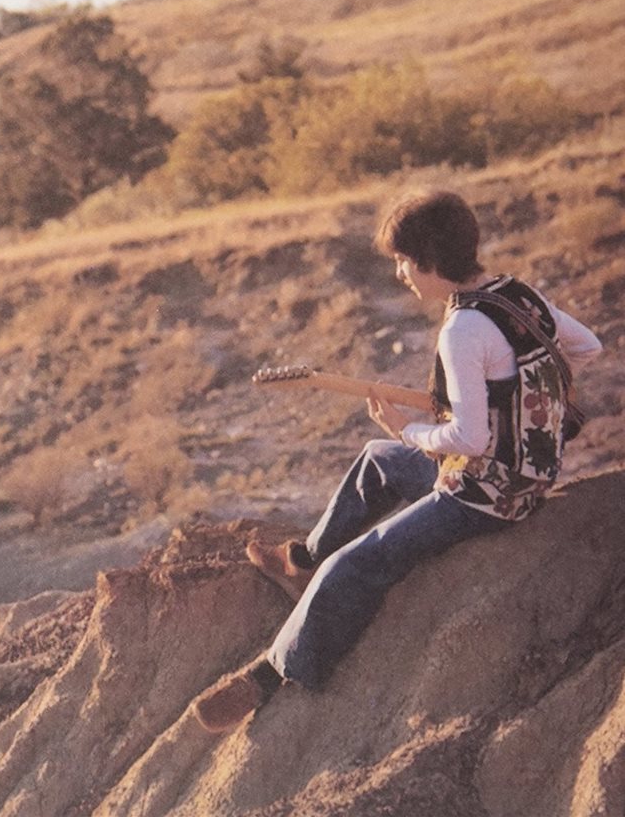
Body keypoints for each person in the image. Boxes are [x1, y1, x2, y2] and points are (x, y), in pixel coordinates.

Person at [192, 190, 602, 734]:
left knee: (358, 564)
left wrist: (407, 430)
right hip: (526, 471)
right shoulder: (516, 294)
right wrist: (514, 397)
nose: (401, 275)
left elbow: (471, 439)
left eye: (404, 263)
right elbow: (588, 346)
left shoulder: (462, 330)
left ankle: (272, 674)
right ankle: (304, 560)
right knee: (375, 461)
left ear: (429, 260)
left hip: (486, 494)